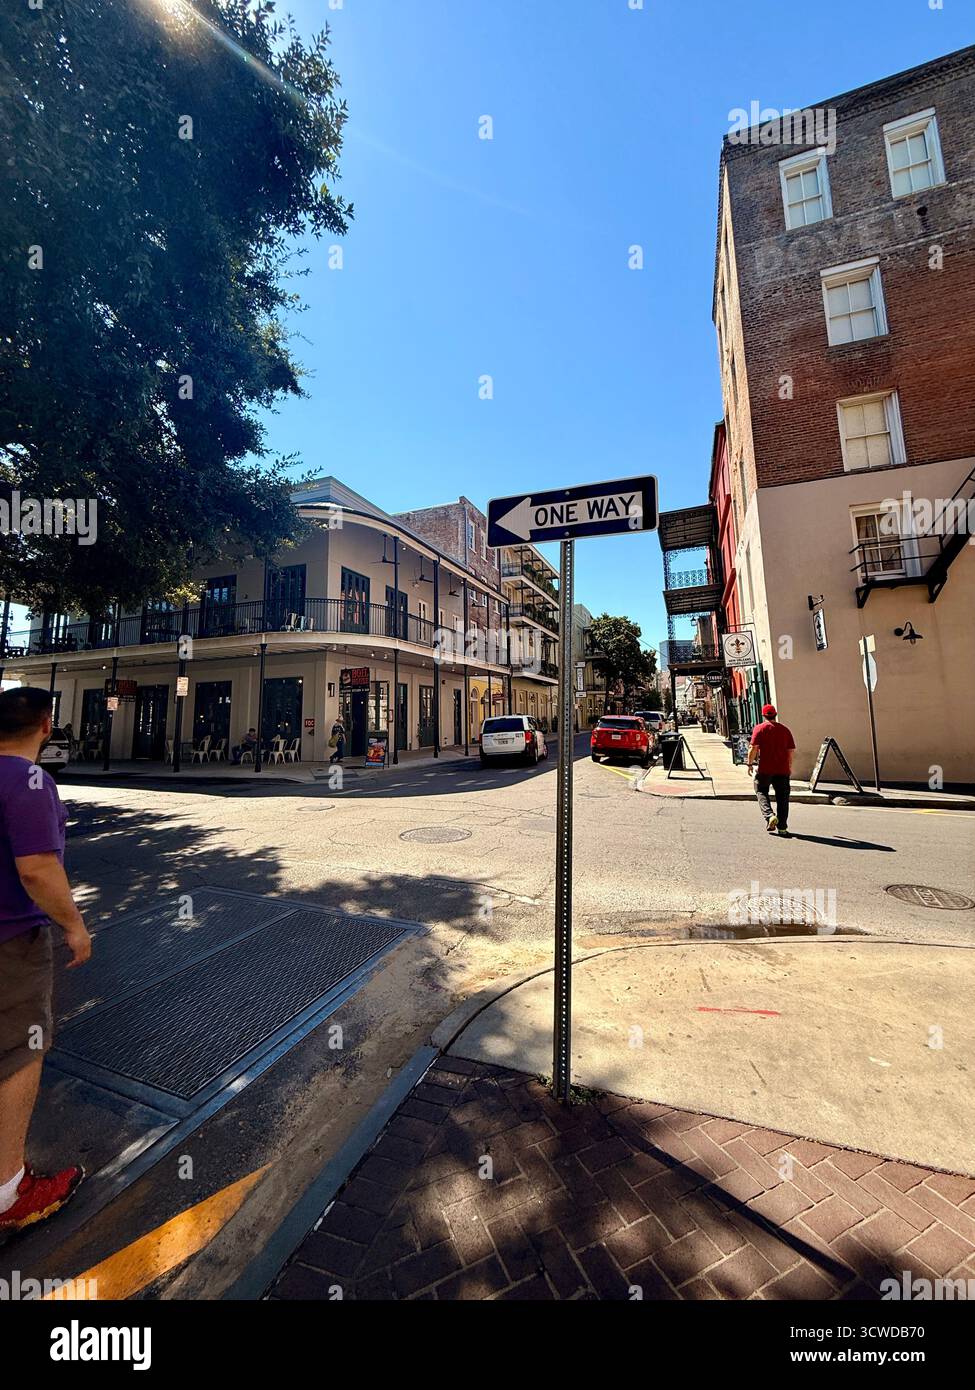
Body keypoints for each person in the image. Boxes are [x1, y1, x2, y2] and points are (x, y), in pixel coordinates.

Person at [0, 687, 92, 1233]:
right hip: (11, 938)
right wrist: (74, 927)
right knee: (19, 1051)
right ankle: (10, 1190)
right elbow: (36, 868)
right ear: (45, 724)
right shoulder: (30, 781)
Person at [747, 703, 796, 836]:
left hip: (765, 769)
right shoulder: (785, 730)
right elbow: (790, 751)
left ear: (763, 715)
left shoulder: (760, 729)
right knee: (783, 798)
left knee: (761, 791)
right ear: (775, 715)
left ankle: (769, 816)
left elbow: (753, 748)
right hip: (783, 769)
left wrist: (749, 764)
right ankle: (782, 827)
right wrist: (789, 767)